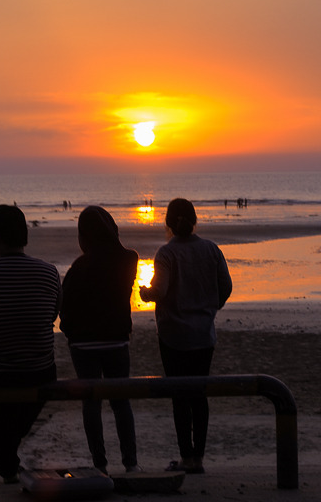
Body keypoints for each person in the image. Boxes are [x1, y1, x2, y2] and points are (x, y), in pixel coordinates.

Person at [0, 205, 61, 484]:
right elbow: (52, 314)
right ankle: (5, 450)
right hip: (39, 368)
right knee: (32, 397)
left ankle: (4, 453)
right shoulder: (49, 272)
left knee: (0, 411)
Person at [139, 198, 232, 474]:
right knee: (199, 395)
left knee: (179, 395)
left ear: (168, 222)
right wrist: (211, 307)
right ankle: (198, 458)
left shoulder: (167, 253)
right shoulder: (211, 249)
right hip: (203, 334)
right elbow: (226, 286)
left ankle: (186, 456)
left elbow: (160, 290)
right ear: (195, 221)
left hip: (173, 336)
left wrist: (145, 292)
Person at [59, 205, 140, 474]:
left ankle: (100, 464)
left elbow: (65, 305)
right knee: (121, 401)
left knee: (91, 402)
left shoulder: (79, 267)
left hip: (83, 343)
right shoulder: (128, 260)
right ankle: (131, 462)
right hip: (116, 339)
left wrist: (70, 331)